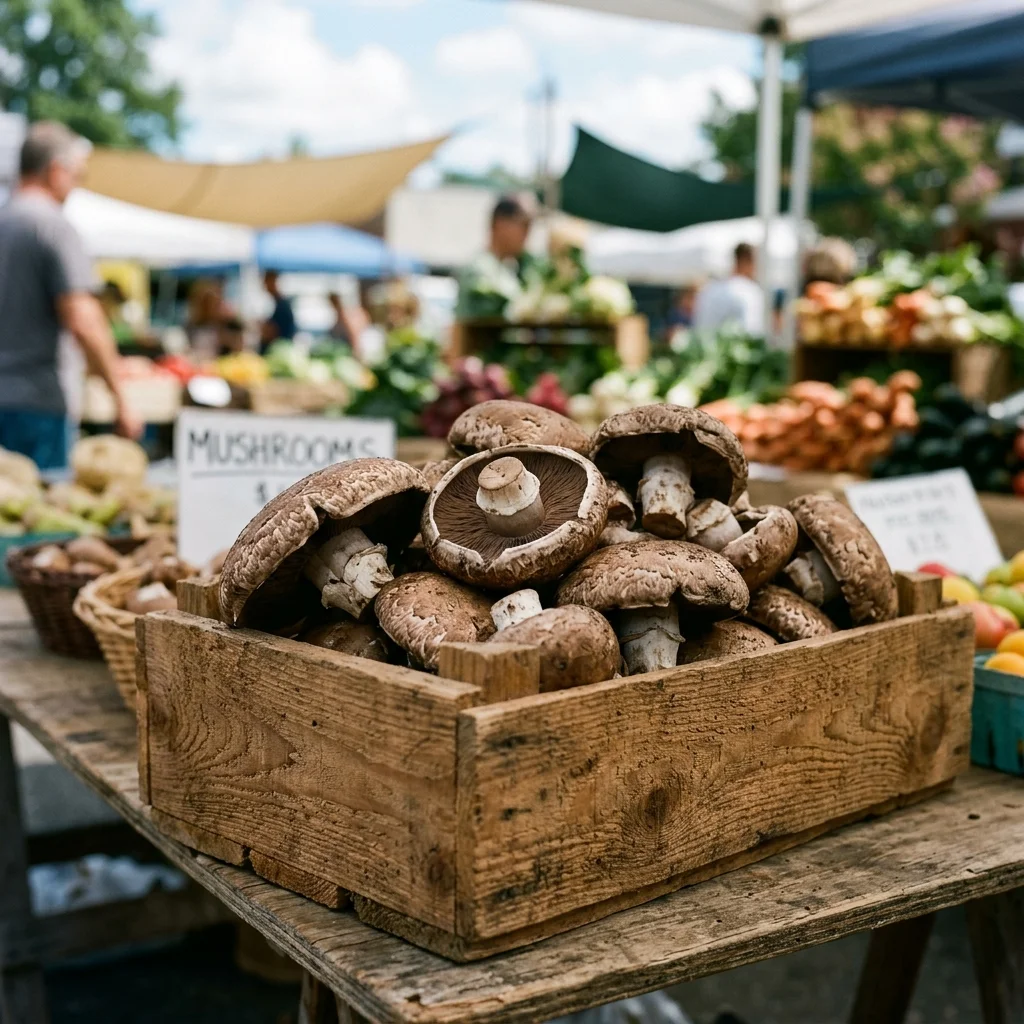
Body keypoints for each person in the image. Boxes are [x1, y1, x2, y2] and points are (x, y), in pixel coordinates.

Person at [0, 121, 141, 468]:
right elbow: (83, 320)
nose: (76, 185)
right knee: (37, 514)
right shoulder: (53, 226)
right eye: (78, 176)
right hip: (37, 405)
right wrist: (121, 398)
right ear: (56, 171)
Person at [456, 195, 533, 318]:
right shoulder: (478, 269)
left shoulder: (511, 268)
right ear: (500, 224)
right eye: (524, 226)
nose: (528, 234)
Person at [693, 242, 764, 336]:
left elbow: (699, 327)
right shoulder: (751, 292)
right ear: (747, 261)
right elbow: (752, 333)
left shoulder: (709, 289)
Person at [260, 270, 296, 352]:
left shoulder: (283, 306)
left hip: (280, 350)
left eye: (266, 282)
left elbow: (273, 332)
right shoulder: (278, 304)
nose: (265, 286)